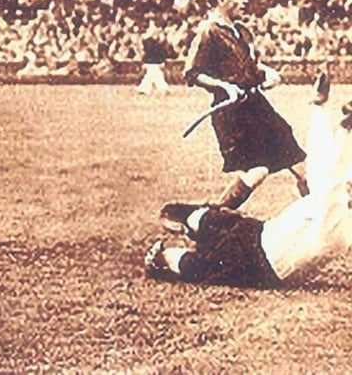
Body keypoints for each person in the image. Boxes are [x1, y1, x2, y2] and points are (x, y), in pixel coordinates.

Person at [145, 73, 352, 288]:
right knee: (216, 222)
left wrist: (345, 132)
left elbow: (332, 179)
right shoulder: (336, 203)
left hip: (260, 263)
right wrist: (320, 106)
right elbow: (321, 165)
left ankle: (163, 259)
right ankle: (188, 221)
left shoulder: (340, 224)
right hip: (260, 232)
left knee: (199, 265)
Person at [183, 0, 307, 209]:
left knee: (301, 167)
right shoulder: (208, 32)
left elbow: (249, 67)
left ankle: (324, 226)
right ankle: (208, 222)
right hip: (232, 112)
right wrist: (224, 86)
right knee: (256, 172)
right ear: (221, 0)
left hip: (257, 105)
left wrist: (268, 74)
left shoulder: (241, 30)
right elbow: (192, 73)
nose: (244, 1)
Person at [136, 20, 173, 96]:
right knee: (155, 76)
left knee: (152, 76)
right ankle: (161, 88)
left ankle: (145, 89)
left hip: (154, 63)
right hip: (152, 62)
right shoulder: (150, 42)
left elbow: (162, 53)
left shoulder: (154, 42)